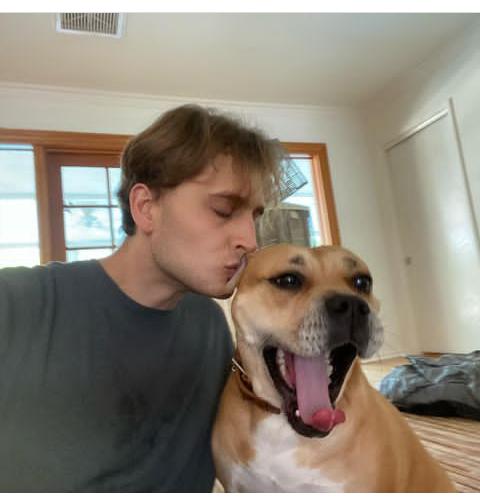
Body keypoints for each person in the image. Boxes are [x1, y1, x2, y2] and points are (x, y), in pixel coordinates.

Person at [0, 104, 283, 492]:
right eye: (223, 210)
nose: (250, 241)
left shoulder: (211, 325)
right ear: (146, 208)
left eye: (254, 216)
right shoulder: (19, 304)